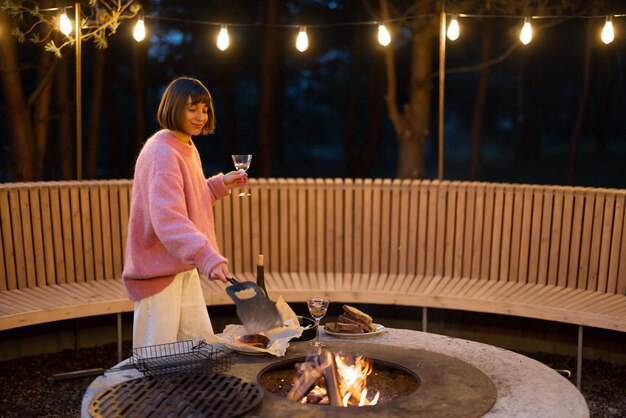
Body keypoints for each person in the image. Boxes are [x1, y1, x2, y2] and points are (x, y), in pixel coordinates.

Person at [122, 76, 247, 348]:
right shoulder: (162, 151)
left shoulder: (186, 145)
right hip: (158, 272)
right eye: (193, 109)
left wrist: (219, 184)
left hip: (182, 264)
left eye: (204, 109)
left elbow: (188, 197)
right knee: (156, 359)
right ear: (174, 107)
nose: (200, 116)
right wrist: (207, 256)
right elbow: (168, 219)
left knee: (196, 349)